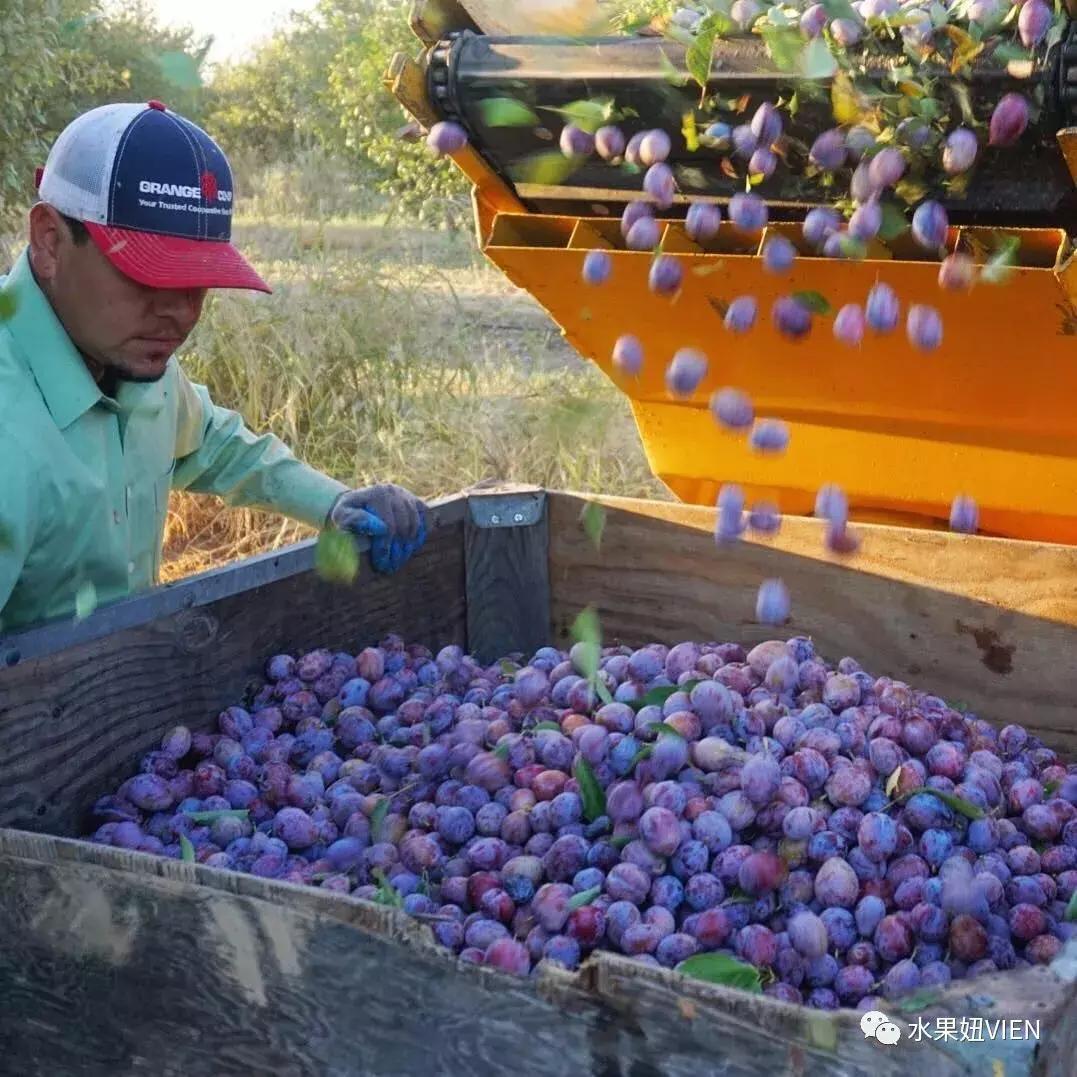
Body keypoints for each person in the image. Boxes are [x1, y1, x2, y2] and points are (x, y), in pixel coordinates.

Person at [0, 100, 427, 634]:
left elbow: (210, 442)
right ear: (49, 241)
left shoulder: (130, 360)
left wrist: (333, 502)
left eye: (196, 282)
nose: (180, 314)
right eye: (148, 277)